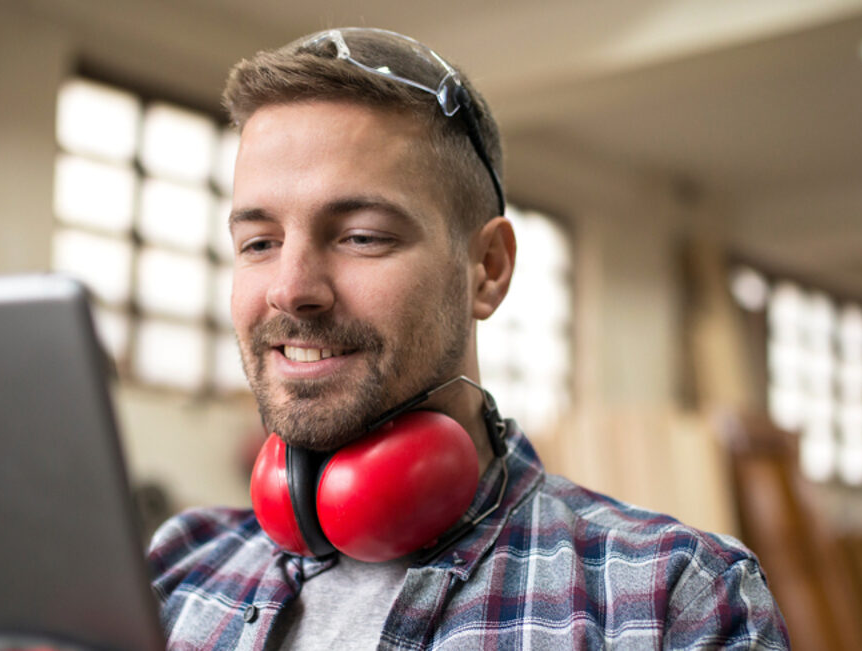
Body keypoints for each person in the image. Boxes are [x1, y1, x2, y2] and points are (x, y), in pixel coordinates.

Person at [147, 27, 790, 650]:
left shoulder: (672, 602)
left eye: (362, 236)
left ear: (488, 269)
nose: (290, 289)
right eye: (259, 243)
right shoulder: (175, 571)